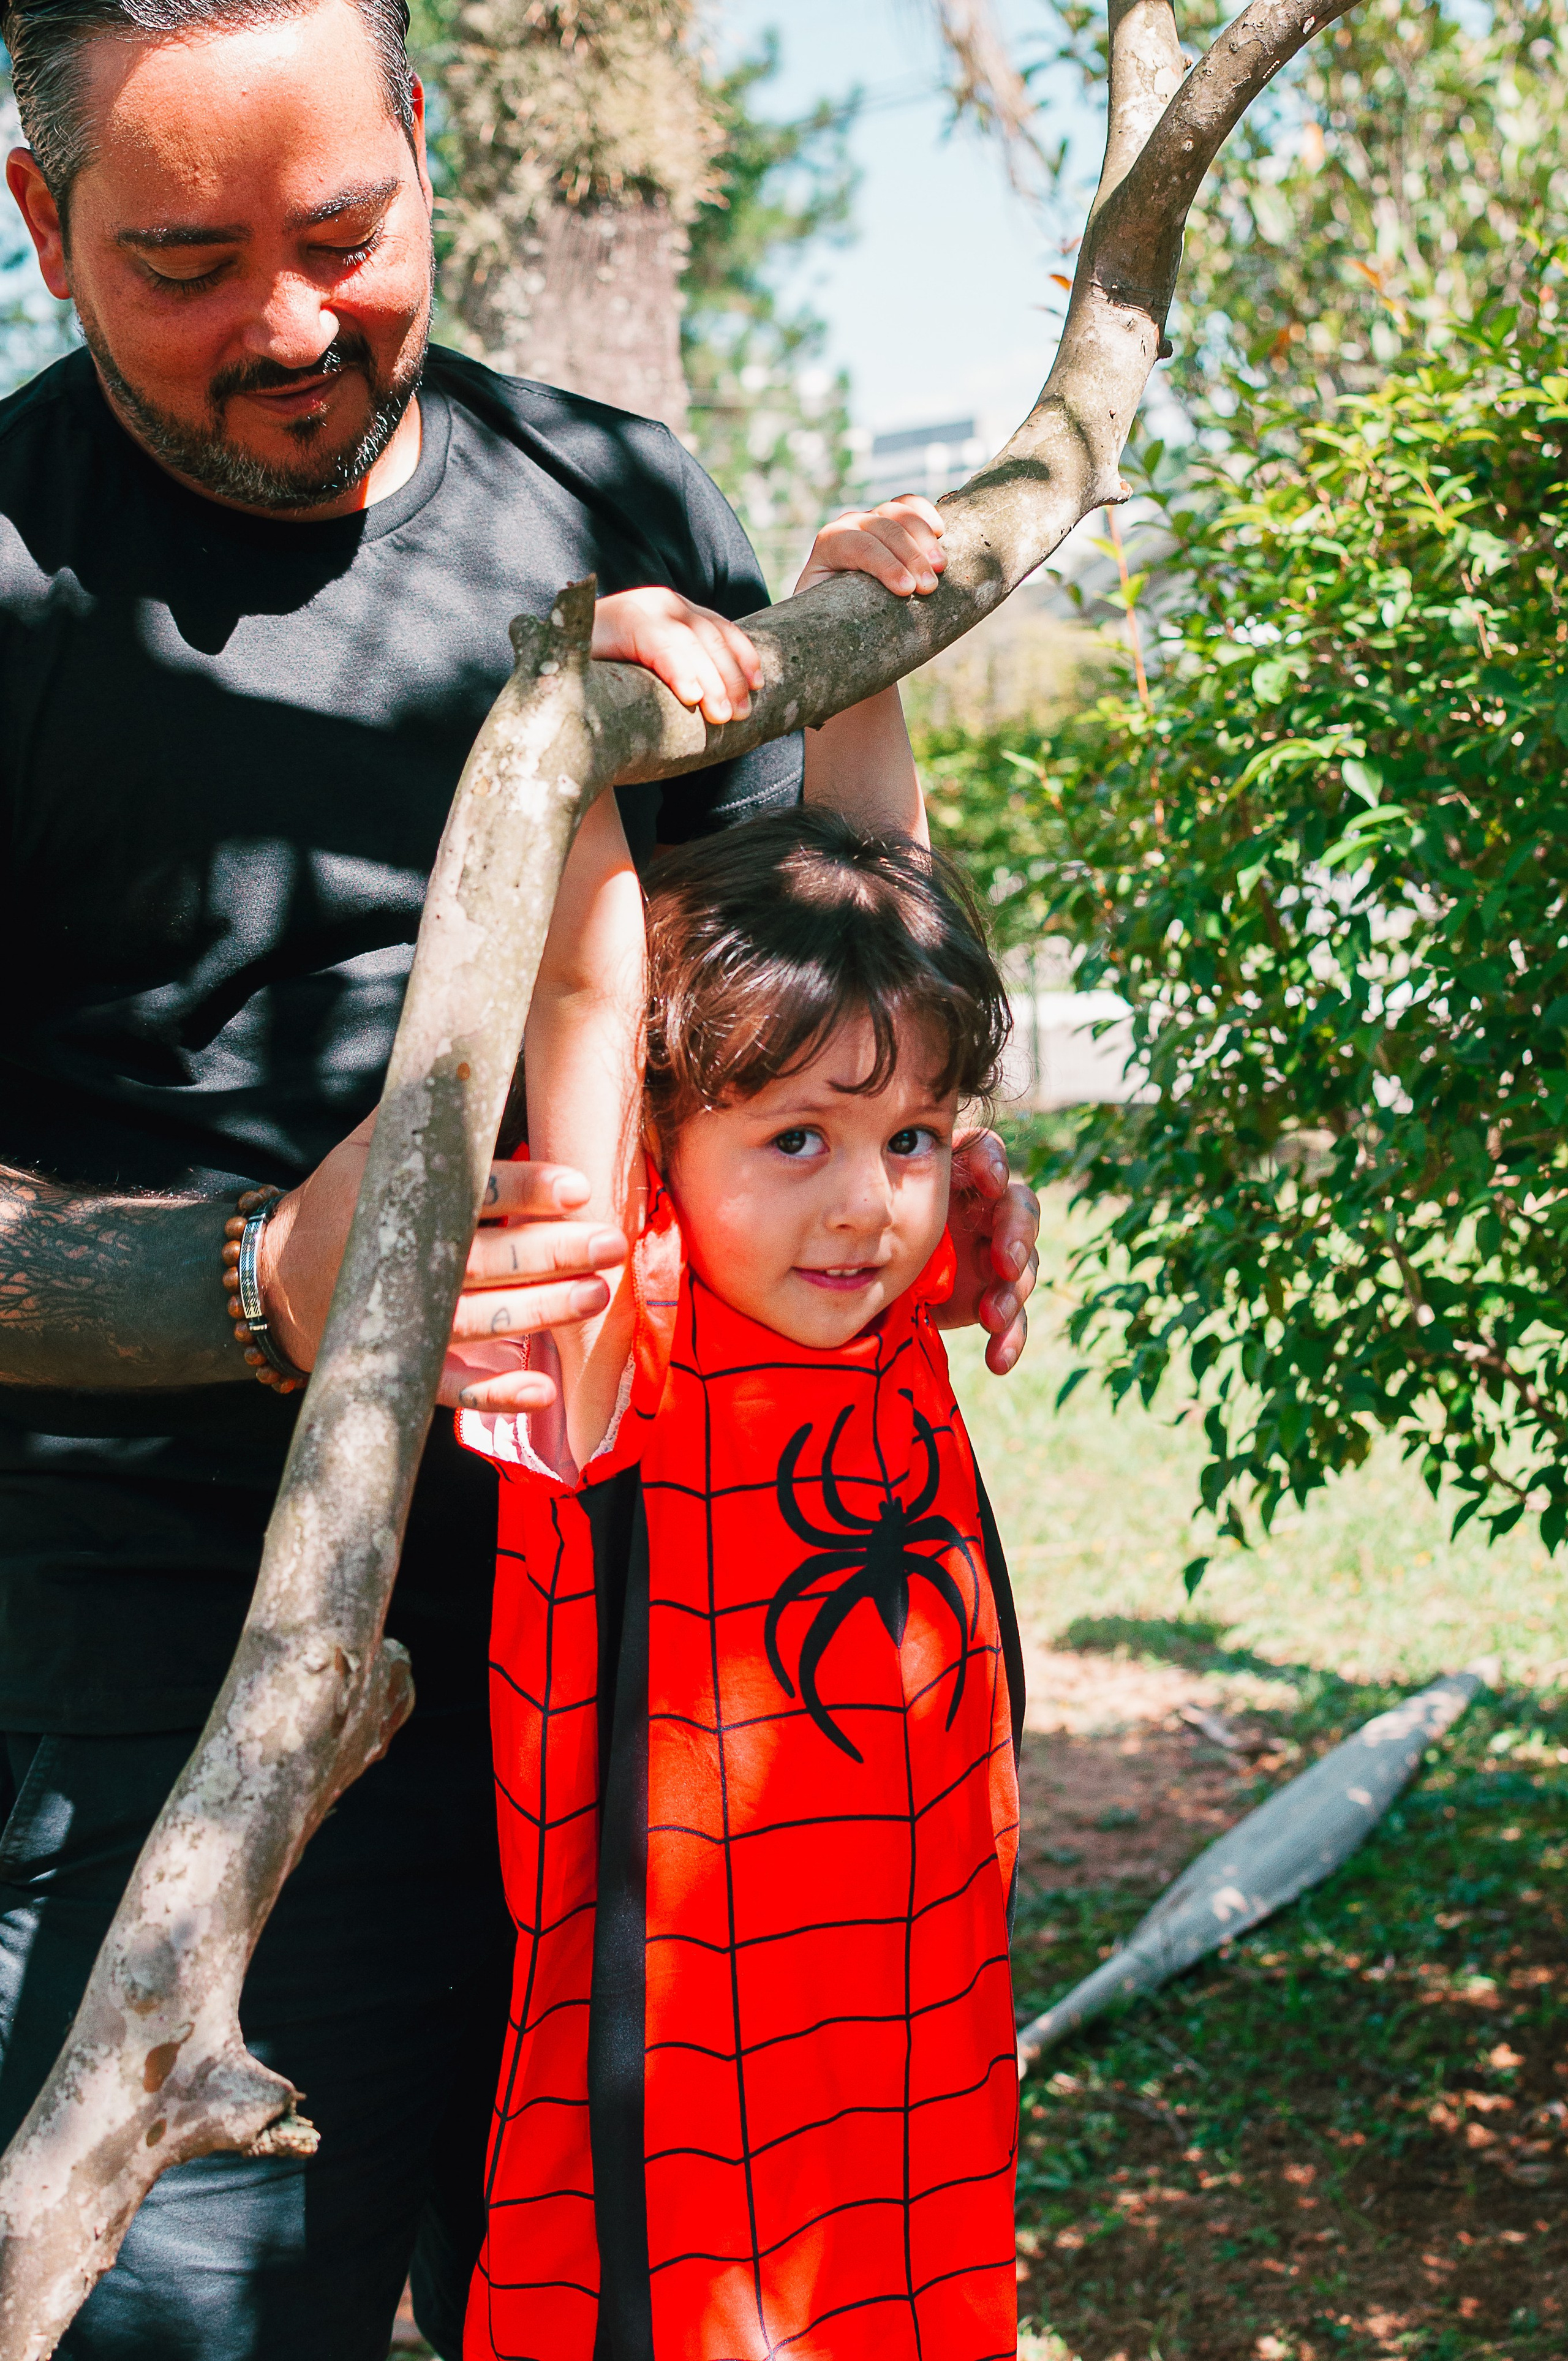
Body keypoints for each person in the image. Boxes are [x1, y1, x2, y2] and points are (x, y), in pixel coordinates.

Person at [0, 0, 1041, 2351]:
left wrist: (904, 1169)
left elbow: (790, 985)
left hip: (665, 1676)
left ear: (432, 147)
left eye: (347, 234)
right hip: (179, 1704)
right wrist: (252, 1278)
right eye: (184, 261)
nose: (288, 323)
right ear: (40, 223)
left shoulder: (619, 498)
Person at [458, 672, 1025, 2357]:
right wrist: (572, 725)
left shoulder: (889, 1324)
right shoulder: (623, 1354)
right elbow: (581, 992)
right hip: (687, 2144)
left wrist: (874, 636)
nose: (867, 1201)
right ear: (658, 1138)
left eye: (912, 1137)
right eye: (795, 1137)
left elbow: (878, 871)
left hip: (915, 2091)